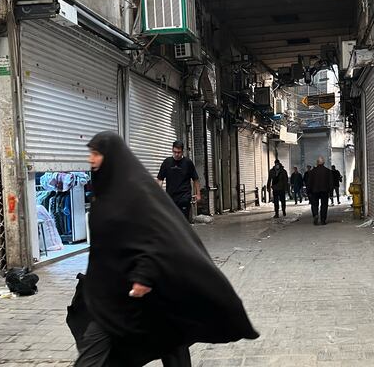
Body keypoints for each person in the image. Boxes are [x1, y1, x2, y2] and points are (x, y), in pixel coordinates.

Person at [68, 131, 259, 366]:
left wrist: (144, 277)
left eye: (96, 154)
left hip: (145, 290)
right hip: (112, 296)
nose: (91, 159)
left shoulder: (135, 194)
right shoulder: (105, 192)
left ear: (112, 157)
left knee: (169, 338)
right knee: (104, 346)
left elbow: (158, 237)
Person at [157, 140, 201, 222]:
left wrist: (198, 194)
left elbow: (195, 179)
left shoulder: (188, 163)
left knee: (183, 222)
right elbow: (160, 179)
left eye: (179, 152)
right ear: (172, 150)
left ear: (182, 151)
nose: (177, 154)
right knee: (172, 222)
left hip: (184, 197)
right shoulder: (167, 162)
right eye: (175, 152)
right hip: (171, 197)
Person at [307, 157, 333, 226]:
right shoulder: (328, 171)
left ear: (317, 162)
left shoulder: (312, 172)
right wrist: (331, 193)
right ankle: (323, 220)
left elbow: (309, 182)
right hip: (325, 190)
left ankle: (315, 214)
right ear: (323, 163)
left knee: (314, 204)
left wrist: (308, 191)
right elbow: (331, 183)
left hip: (314, 191)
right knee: (324, 205)